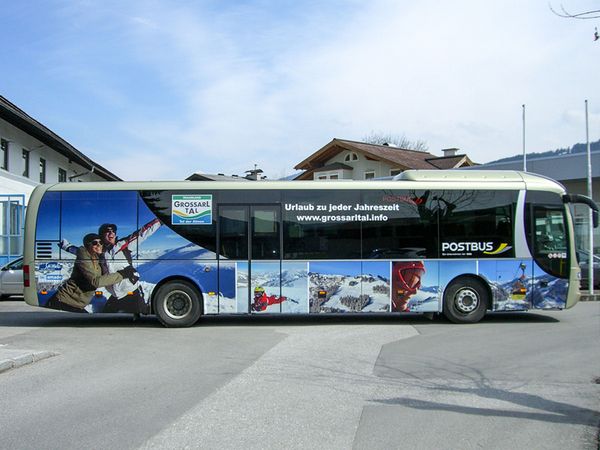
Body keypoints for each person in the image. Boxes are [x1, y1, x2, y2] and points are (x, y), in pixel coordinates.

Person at [60, 218, 161, 314]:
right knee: (105, 318)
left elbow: (142, 233)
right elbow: (81, 252)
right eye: (107, 231)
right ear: (101, 235)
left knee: (142, 318)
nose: (111, 233)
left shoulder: (123, 244)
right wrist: (67, 246)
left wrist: (159, 221)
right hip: (115, 295)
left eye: (113, 231)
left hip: (131, 292)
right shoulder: (98, 251)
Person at [47, 233, 133, 312]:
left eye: (100, 242)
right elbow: (95, 282)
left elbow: (75, 250)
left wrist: (67, 247)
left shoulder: (98, 257)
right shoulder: (84, 254)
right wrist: (122, 274)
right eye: (95, 243)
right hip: (63, 302)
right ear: (88, 245)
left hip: (76, 304)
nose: (99, 245)